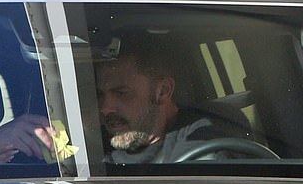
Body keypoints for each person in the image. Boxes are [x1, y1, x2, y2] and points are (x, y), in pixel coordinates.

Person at [95, 38, 246, 163]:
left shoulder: (203, 140)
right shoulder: (91, 153)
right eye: (100, 94)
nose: (105, 108)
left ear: (163, 91)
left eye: (121, 93)